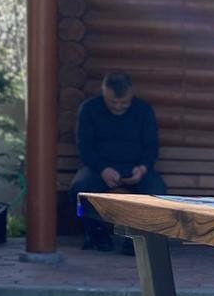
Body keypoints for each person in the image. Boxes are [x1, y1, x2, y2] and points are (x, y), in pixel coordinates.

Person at [70, 71, 167, 251]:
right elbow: (85, 146)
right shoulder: (89, 109)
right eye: (113, 102)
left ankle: (139, 239)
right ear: (104, 91)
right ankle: (94, 234)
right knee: (79, 190)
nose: (119, 107)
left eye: (124, 103)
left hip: (136, 168)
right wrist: (102, 169)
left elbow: (152, 146)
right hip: (99, 168)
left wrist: (143, 168)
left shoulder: (143, 110)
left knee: (157, 191)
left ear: (131, 93)